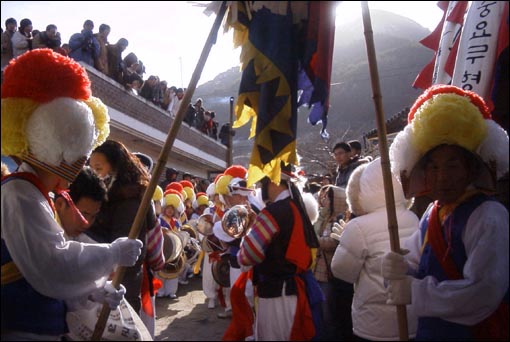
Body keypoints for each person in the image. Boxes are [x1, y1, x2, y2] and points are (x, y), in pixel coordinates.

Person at [1, 49, 142, 340]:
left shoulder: (36, 193)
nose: (81, 165)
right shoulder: (19, 193)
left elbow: (47, 273)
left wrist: (93, 292)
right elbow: (52, 265)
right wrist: (111, 253)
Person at [382, 85, 509, 340]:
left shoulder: (489, 215)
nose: (442, 177)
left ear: (472, 168)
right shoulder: (433, 212)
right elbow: (417, 264)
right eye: (434, 167)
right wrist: (397, 269)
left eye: (452, 165)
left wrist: (415, 292)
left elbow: (482, 292)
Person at [330, 158, 419, 340]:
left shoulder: (358, 226)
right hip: (412, 318)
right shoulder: (414, 218)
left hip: (374, 325)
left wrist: (344, 243)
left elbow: (342, 272)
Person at [237, 163, 323, 341]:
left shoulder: (273, 212)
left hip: (277, 295)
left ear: (273, 181)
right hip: (294, 291)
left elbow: (248, 254)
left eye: (263, 183)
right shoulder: (296, 207)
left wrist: (249, 233)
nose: (261, 188)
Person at [86, 139, 160, 316]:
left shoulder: (130, 201)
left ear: (116, 169)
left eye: (98, 169)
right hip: (103, 280)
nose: (93, 175)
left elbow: (124, 252)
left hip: (119, 285)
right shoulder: (107, 196)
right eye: (90, 169)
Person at [311, 184, 346, 341]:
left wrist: (313, 240)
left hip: (328, 274)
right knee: (318, 310)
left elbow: (333, 242)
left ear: (335, 200)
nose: (323, 200)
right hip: (317, 272)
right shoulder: (322, 218)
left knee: (328, 313)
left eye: (328, 197)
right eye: (322, 197)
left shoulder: (339, 221)